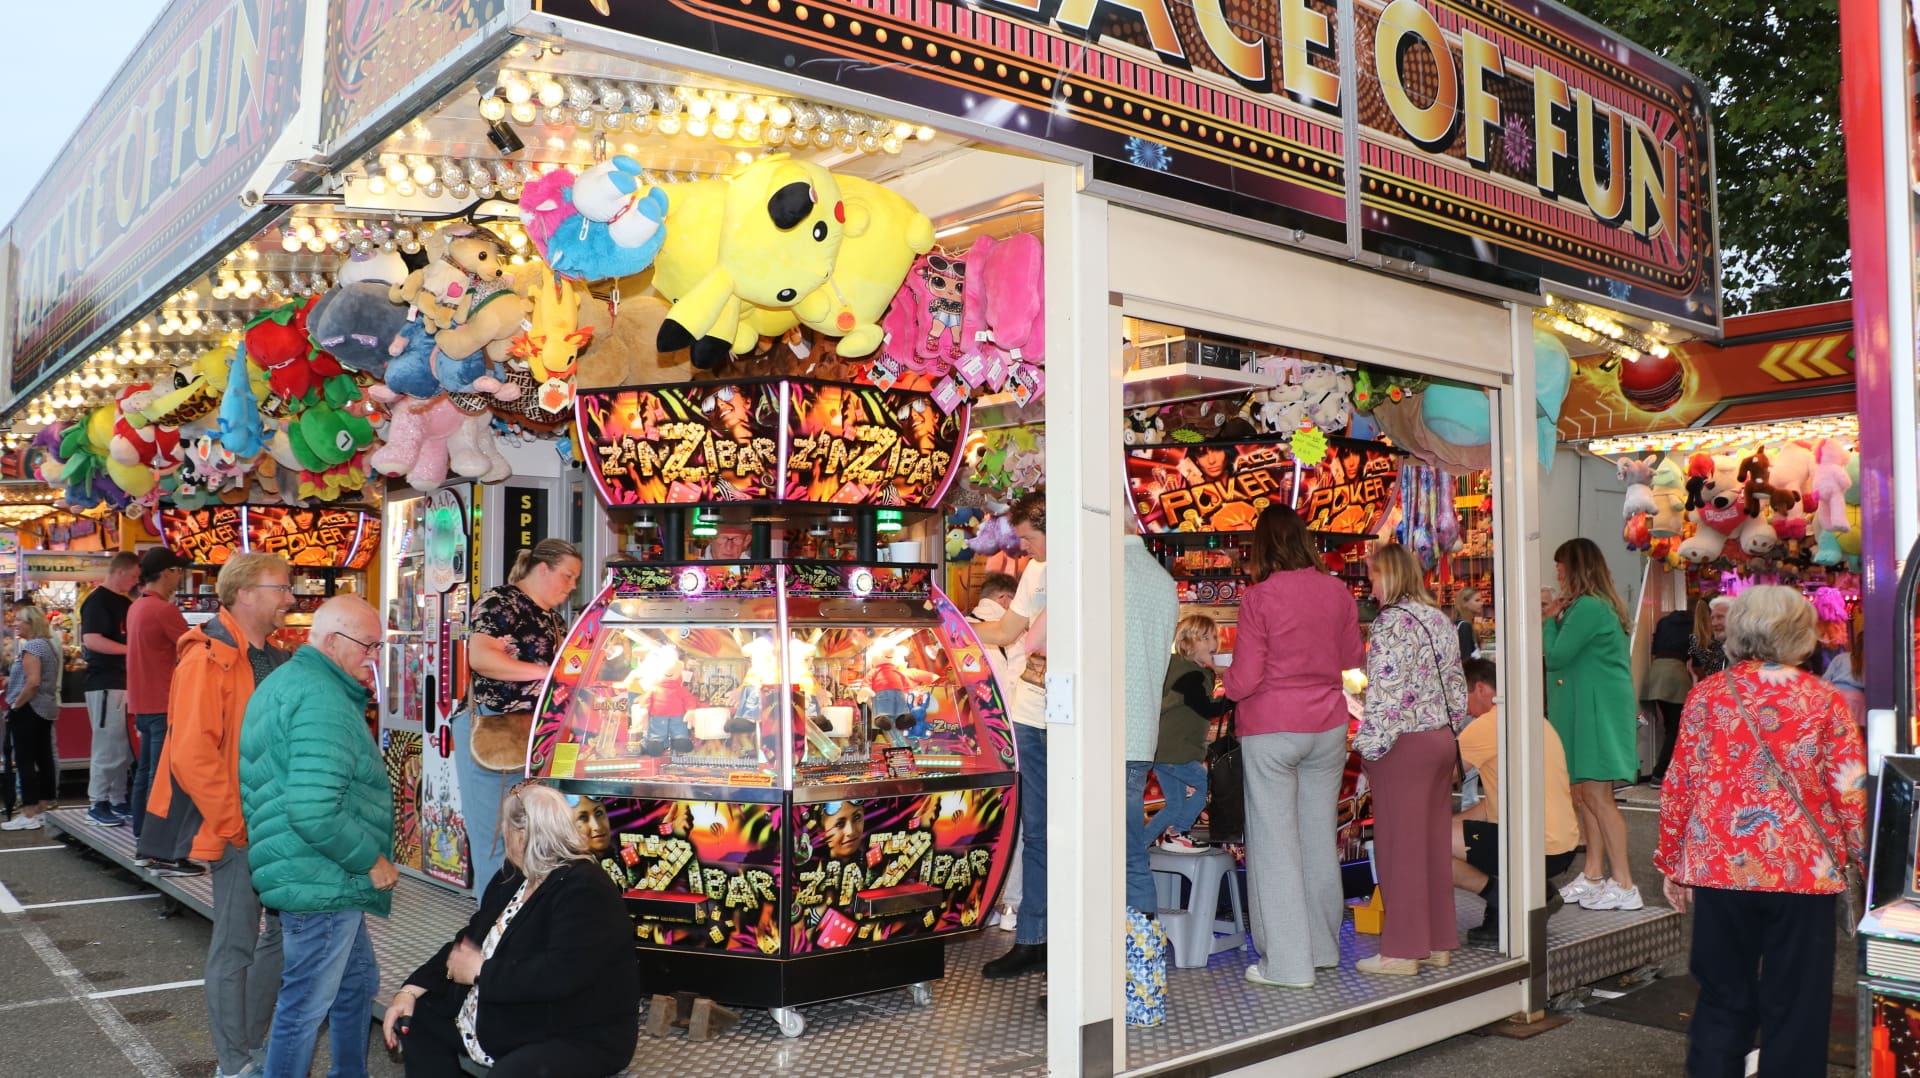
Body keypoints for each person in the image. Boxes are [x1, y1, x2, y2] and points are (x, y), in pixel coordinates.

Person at [1657, 585, 1867, 1078]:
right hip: (1803, 872)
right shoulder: (1823, 699)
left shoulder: (1708, 695)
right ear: (1801, 634)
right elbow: (1849, 791)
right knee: (1798, 1001)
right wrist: (1862, 862)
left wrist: (1672, 861)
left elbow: (1680, 782)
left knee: (1721, 995)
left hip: (1720, 867)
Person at [146, 554, 295, 1078]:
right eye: (282, 588)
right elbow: (191, 754)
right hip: (239, 828)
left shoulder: (273, 656)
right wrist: (235, 825)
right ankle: (235, 1063)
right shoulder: (207, 656)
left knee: (280, 936)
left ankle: (250, 1046)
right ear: (246, 593)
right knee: (236, 944)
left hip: (273, 825)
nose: (291, 598)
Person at [240, 595, 397, 1078]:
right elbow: (313, 810)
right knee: (306, 1003)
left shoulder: (290, 680)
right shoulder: (322, 699)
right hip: (323, 874)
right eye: (368, 645)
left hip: (307, 869)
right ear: (332, 641)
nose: (374, 657)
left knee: (356, 982)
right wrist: (371, 860)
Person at [384, 783, 640, 1077]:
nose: (502, 835)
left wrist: (482, 971)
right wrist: (410, 990)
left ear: (520, 835)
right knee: (415, 1017)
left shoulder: (586, 888)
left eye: (504, 828)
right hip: (515, 1015)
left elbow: (561, 974)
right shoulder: (514, 875)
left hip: (576, 1033)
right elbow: (469, 941)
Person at [1221, 505, 1365, 989]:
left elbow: (1245, 679)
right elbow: (1352, 658)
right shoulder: (1337, 591)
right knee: (1318, 838)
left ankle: (1287, 965)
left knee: (1274, 846)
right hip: (1327, 726)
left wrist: (1223, 681)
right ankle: (1323, 949)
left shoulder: (1259, 597)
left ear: (1263, 546)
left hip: (1271, 729)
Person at [1354, 543, 1468, 976]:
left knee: (1399, 848)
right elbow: (1456, 687)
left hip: (1403, 744)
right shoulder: (1439, 618)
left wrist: (1368, 747)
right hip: (1440, 739)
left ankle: (1401, 951)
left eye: (1373, 576)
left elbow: (1385, 695)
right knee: (1431, 846)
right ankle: (1437, 941)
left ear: (1390, 575)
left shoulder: (1391, 622)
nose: (1371, 586)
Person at [459, 539, 582, 897]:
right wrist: (547, 674)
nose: (572, 585)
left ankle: (523, 917)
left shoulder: (555, 620)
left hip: (538, 736)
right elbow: (481, 658)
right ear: (542, 568)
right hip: (496, 727)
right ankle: (492, 922)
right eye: (568, 576)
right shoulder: (500, 602)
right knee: (496, 839)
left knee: (534, 838)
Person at [1545, 538, 1642, 912]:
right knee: (1586, 794)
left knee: (1599, 798)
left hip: (1596, 712)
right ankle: (1593, 874)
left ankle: (1625, 884)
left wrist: (1546, 620)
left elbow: (1555, 656)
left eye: (1560, 565)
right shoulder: (1589, 605)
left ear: (1574, 567)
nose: (1557, 572)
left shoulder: (1588, 606)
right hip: (1586, 709)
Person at [1453, 659, 1579, 944]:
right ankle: (1536, 892)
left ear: (1481, 688)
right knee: (1449, 833)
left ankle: (1503, 900)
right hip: (1560, 846)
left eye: (1462, 695)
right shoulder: (1528, 717)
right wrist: (1452, 824)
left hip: (1533, 845)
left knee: (1429, 843)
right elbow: (1493, 805)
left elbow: (1443, 773)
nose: (1462, 707)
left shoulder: (1488, 723)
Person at [976, 491, 1049, 979]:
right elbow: (1005, 632)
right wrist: (949, 625)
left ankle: (1062, 939)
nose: (1022, 548)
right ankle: (1032, 937)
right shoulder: (1037, 571)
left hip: (1070, 714)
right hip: (1029, 710)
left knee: (1064, 831)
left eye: (1028, 537)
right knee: (1036, 829)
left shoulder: (1086, 564)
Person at [1122, 528, 1178, 917]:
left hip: (1107, 731)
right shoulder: (1163, 580)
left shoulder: (1105, 570)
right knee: (1129, 848)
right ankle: (1141, 938)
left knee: (1118, 851)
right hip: (1141, 731)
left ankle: (1137, 939)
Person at [969, 572, 1025, 929]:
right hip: (1012, 740)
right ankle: (1012, 906)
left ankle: (981, 905)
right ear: (1006, 600)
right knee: (1017, 824)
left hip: (967, 745)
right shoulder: (1011, 633)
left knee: (980, 825)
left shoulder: (959, 626)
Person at [127, 547, 193, 843]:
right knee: (160, 776)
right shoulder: (164, 610)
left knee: (145, 772)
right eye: (178, 571)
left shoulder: (136, 607)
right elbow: (194, 648)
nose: (180, 577)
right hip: (164, 701)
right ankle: (156, 843)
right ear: (168, 572)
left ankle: (142, 833)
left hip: (142, 702)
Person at [1150, 615, 1231, 853]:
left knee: (1174, 805)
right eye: (1205, 638)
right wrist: (1234, 694)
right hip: (1177, 751)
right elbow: (1207, 709)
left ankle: (1139, 846)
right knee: (1207, 782)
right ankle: (1178, 832)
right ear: (1186, 643)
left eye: (1214, 637)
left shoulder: (1179, 669)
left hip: (1163, 750)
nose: (1213, 643)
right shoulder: (1192, 676)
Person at [80, 551, 140, 826]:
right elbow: (92, 640)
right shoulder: (97, 601)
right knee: (108, 744)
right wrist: (131, 651)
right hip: (105, 682)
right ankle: (97, 802)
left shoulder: (123, 603)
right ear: (120, 572)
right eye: (134, 576)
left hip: (121, 681)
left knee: (122, 746)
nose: (136, 581)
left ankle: (117, 799)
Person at [1, 607, 61, 832]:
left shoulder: (32, 647)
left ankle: (28, 812)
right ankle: (42, 808)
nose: (15, 624)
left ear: (31, 623)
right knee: (44, 758)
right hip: (45, 709)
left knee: (25, 760)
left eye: (19, 620)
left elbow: (33, 682)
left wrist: (15, 705)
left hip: (29, 708)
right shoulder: (48, 645)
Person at [1645, 607, 1695, 781]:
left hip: (1656, 671)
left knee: (1669, 726)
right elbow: (1696, 656)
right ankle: (1660, 773)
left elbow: (1654, 649)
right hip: (1676, 673)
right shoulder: (1693, 624)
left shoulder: (1663, 622)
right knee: (1676, 728)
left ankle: (1665, 770)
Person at [1688, 596, 1731, 680]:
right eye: (1712, 618)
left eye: (1720, 617)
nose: (1714, 623)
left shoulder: (1746, 649)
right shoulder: (1719, 645)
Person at [1452, 587, 1484, 662]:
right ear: (1464, 602)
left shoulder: (1459, 623)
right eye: (1477, 600)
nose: (1481, 603)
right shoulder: (1464, 626)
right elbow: (1466, 659)